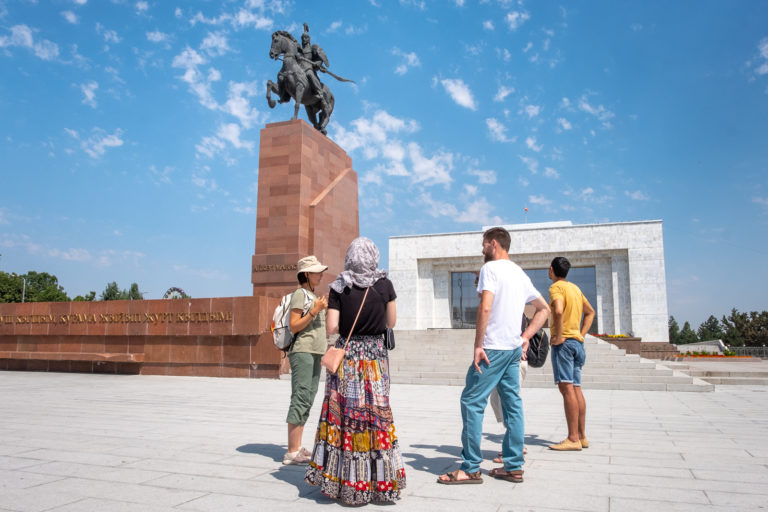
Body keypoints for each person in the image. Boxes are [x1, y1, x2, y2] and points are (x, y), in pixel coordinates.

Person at [438, 227, 549, 485]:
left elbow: (485, 306)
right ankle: (513, 466)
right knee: (513, 405)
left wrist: (479, 344)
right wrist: (525, 337)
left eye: (484, 244)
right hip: (512, 350)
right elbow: (543, 309)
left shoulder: (491, 269)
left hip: (493, 348)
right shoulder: (519, 273)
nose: (482, 249)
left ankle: (471, 468)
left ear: (494, 244)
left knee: (472, 401)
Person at [305, 237, 406, 505]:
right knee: (376, 416)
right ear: (374, 256)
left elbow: (332, 327)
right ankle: (379, 483)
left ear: (350, 257)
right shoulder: (384, 284)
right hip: (374, 358)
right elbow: (391, 322)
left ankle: (347, 483)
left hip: (348, 358)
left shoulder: (339, 286)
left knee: (346, 419)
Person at [283, 255, 329, 465]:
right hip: (303, 351)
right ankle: (292, 451)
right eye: (317, 272)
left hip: (315, 352)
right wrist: (315, 311)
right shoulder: (300, 295)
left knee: (308, 397)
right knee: (300, 397)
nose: (321, 275)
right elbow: (294, 325)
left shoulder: (312, 295)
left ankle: (298, 447)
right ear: (307, 275)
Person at [547, 256, 595, 451]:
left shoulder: (555, 288)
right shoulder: (575, 289)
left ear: (551, 270)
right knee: (576, 389)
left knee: (567, 390)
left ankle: (572, 438)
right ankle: (582, 436)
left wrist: (558, 336)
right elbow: (590, 312)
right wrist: (581, 335)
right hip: (577, 344)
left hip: (564, 345)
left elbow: (558, 311)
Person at [298, 23, 330, 113]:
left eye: (305, 38)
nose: (304, 40)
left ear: (308, 39)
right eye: (302, 38)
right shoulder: (300, 50)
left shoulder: (313, 48)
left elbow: (320, 59)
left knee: (309, 74)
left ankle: (320, 93)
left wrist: (317, 63)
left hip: (309, 68)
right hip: (300, 69)